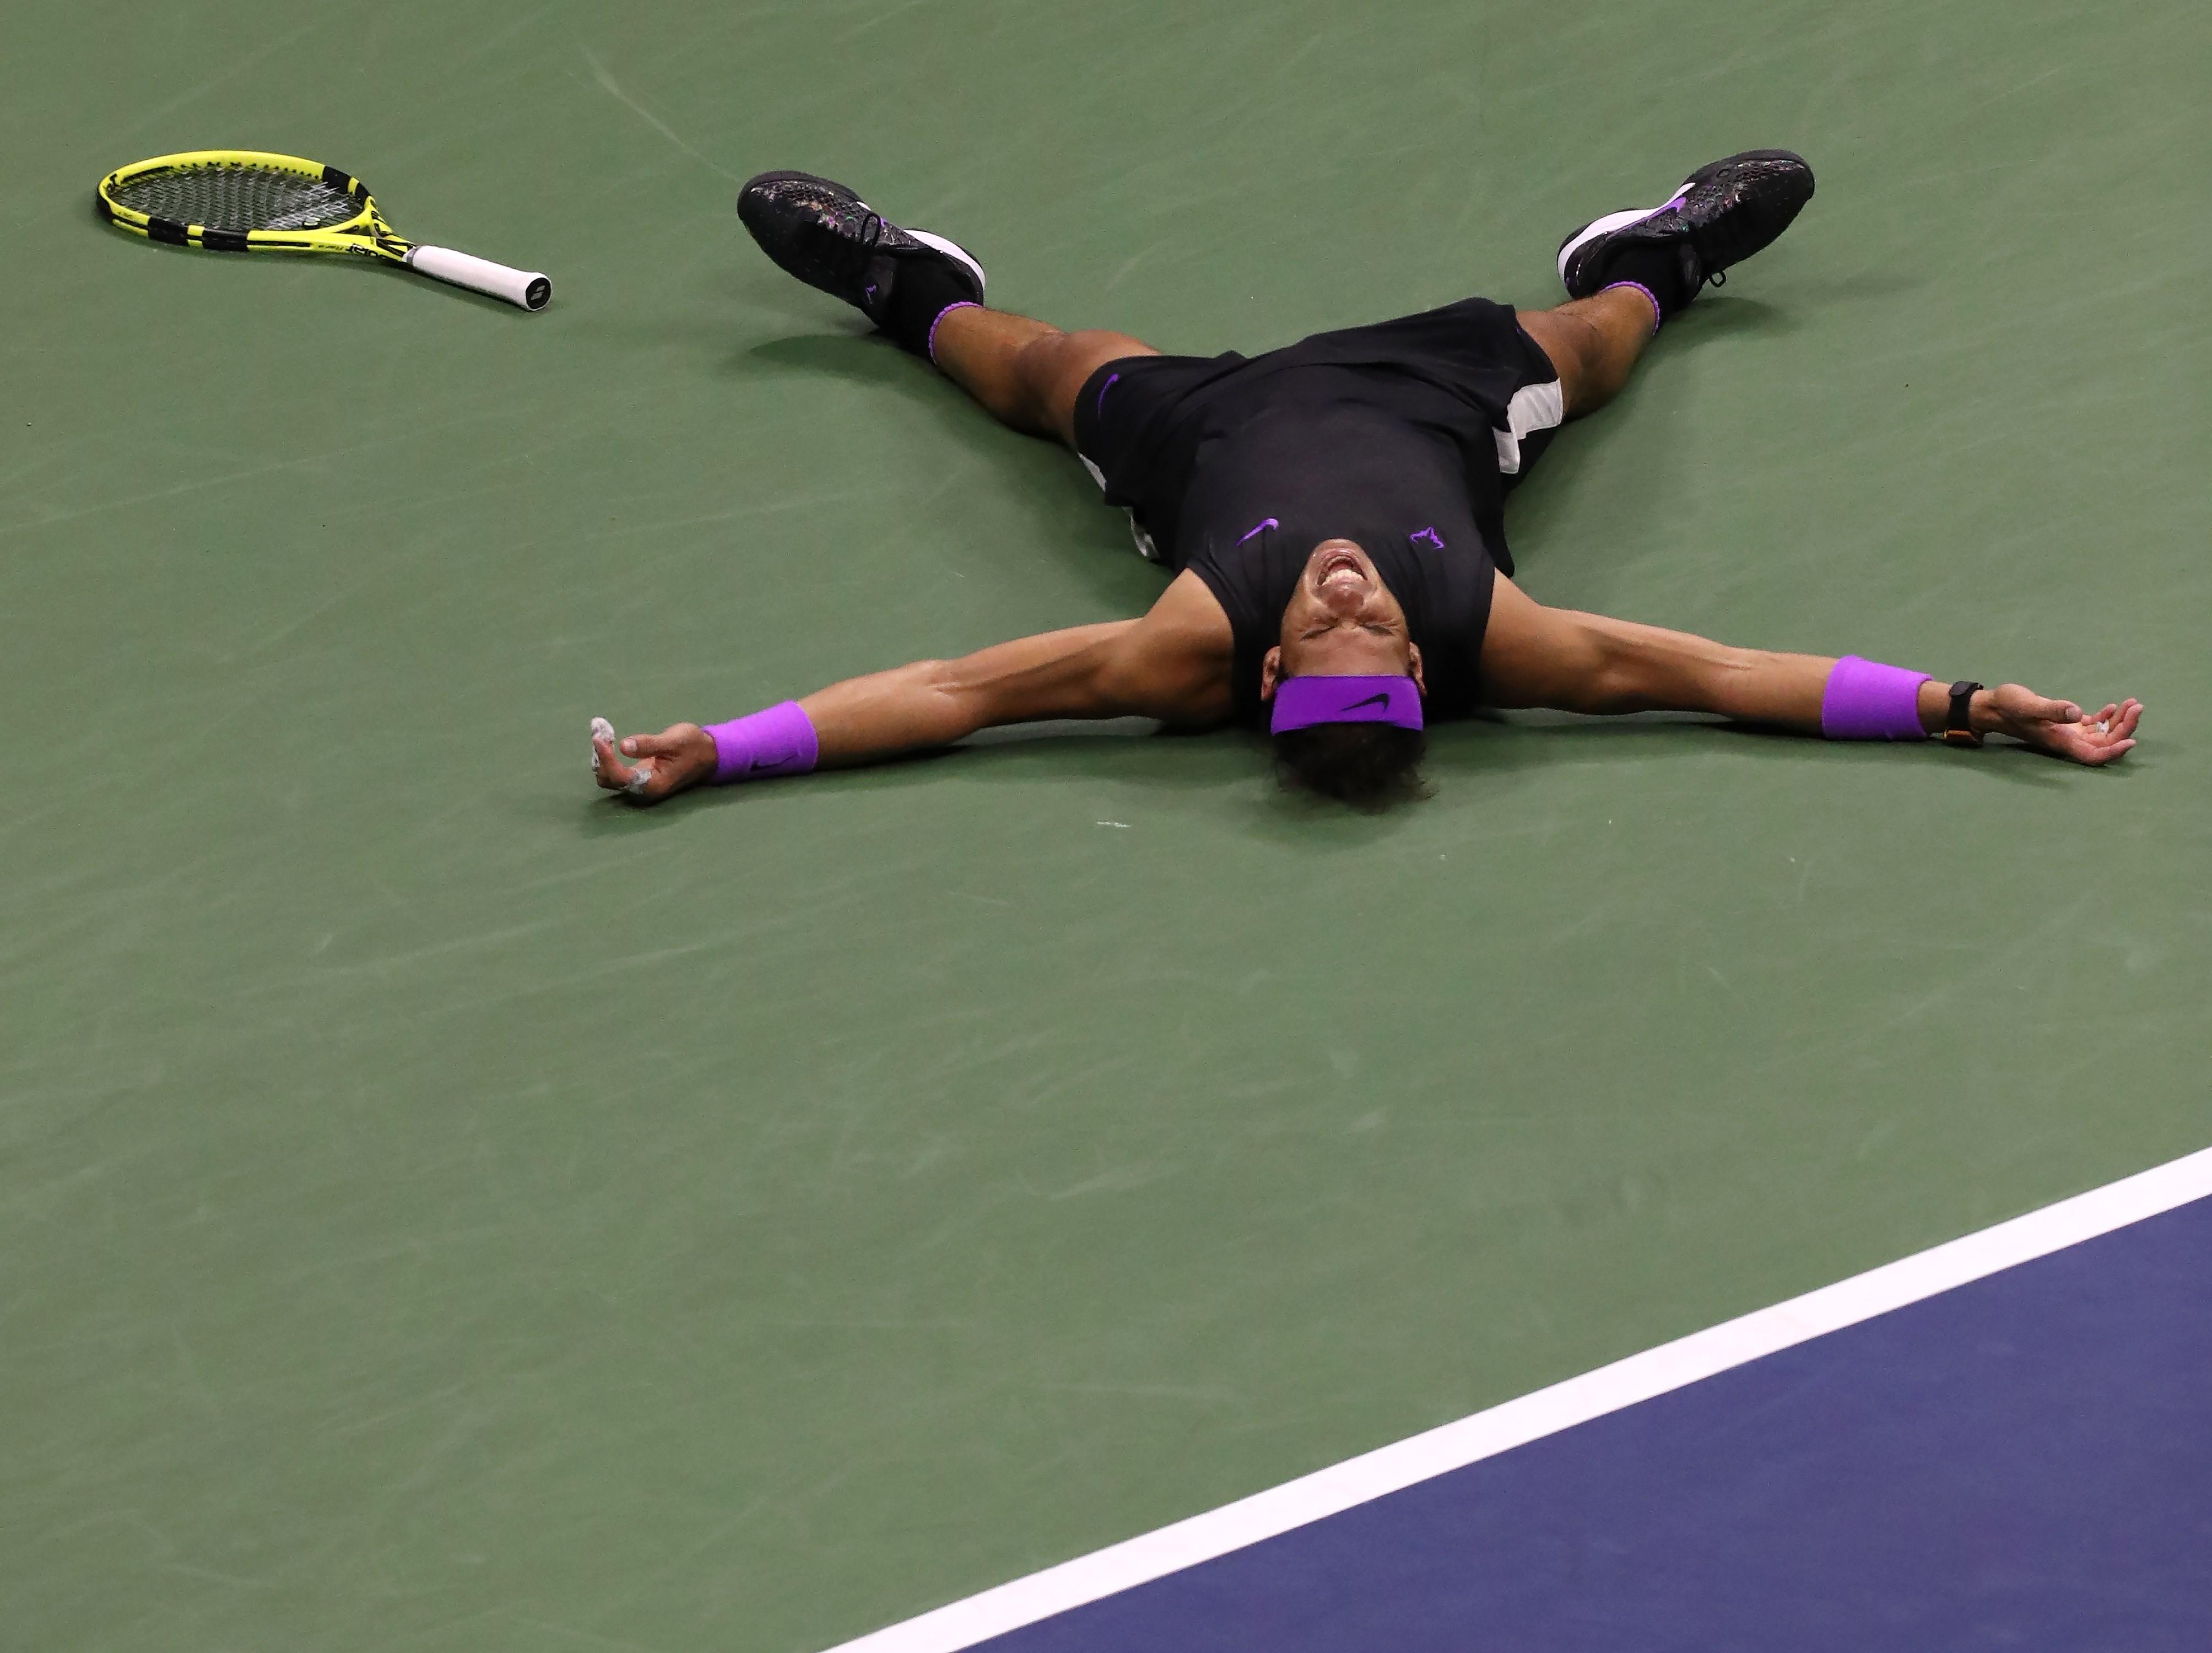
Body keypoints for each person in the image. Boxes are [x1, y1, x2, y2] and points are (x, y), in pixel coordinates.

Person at [591, 152, 2139, 809]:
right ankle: (1654, 255)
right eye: (1373, 634)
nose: (1351, 601)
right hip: (1429, 402)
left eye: (1331, 632)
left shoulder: (1192, 639)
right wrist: (1966, 703)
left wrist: (725, 748)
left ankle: (896, 286)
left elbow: (954, 694)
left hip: (1207, 433)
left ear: (1270, 663)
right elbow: (1731, 678)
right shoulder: (1486, 626)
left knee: (1051, 366)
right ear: (1420, 658)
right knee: (1589, 348)